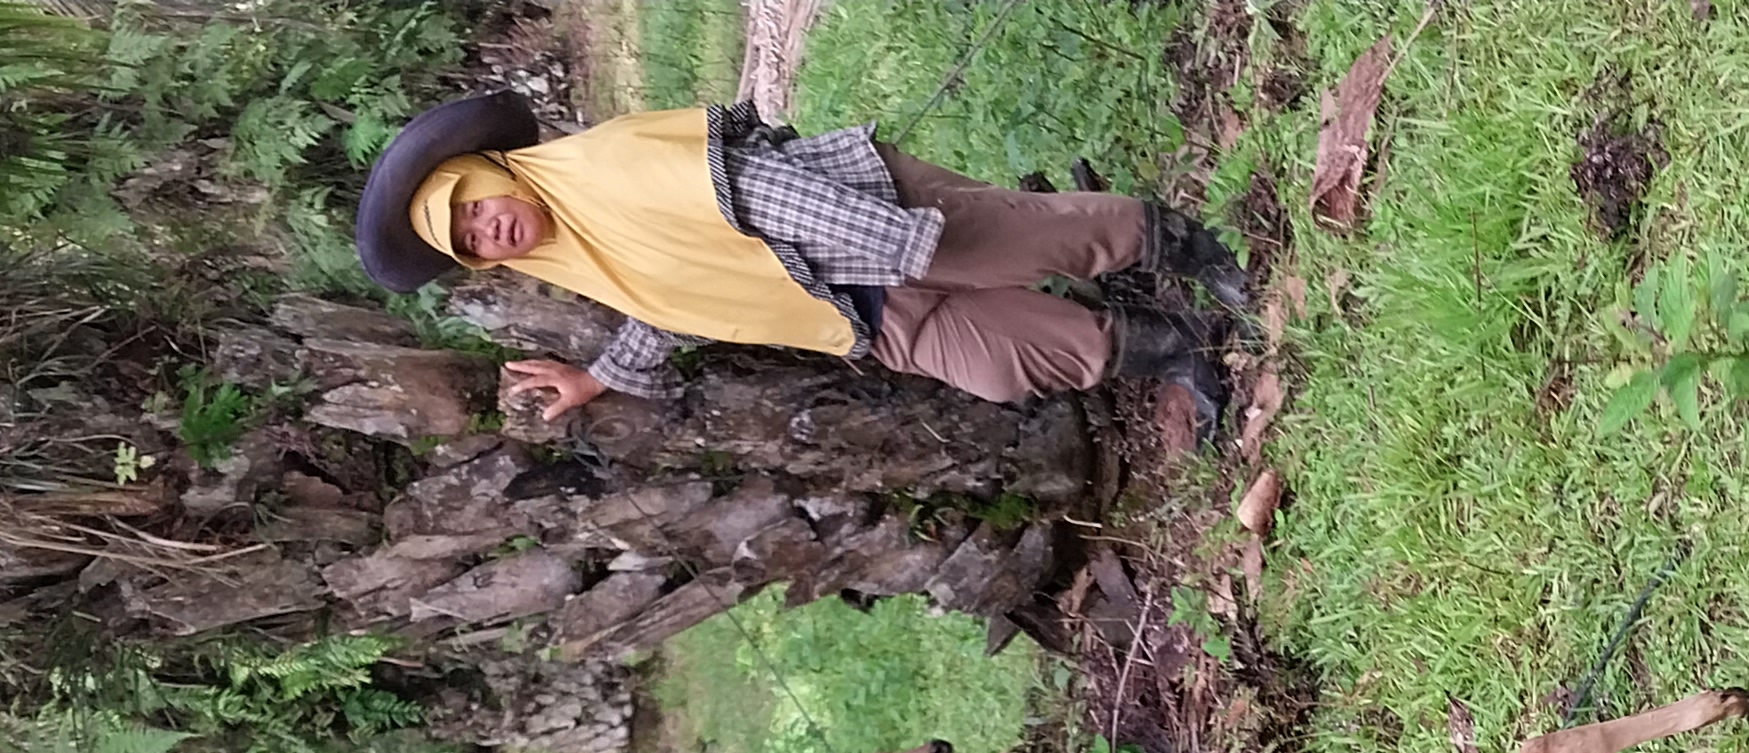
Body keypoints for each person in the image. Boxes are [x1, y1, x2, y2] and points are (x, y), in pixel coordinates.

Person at [353, 91, 1248, 425]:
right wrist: (600, 377)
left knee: (1039, 236)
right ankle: (1175, 348)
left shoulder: (604, 167)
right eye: (466, 243)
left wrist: (895, 241)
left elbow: (757, 192)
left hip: (867, 218)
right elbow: (665, 296)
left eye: (473, 209)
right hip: (844, 307)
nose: (486, 233)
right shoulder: (578, 253)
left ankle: (1187, 246)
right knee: (1003, 366)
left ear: (491, 172)